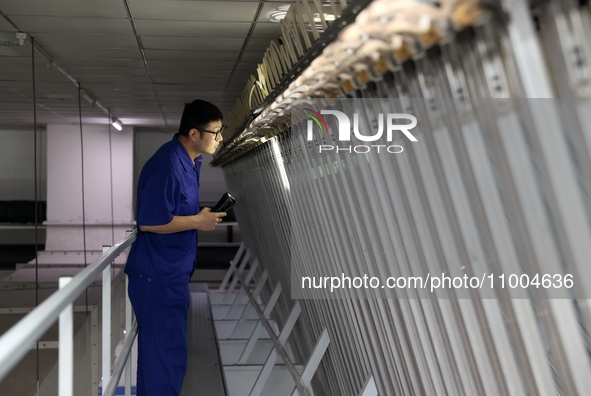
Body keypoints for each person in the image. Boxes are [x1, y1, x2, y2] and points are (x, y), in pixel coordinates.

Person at [125, 99, 226, 396]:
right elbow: (150, 222)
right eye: (216, 132)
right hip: (158, 279)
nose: (219, 139)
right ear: (194, 134)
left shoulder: (191, 161)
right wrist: (198, 221)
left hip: (169, 275)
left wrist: (198, 218)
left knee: (159, 362)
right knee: (166, 363)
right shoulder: (168, 164)